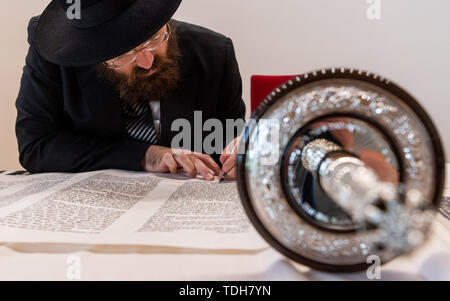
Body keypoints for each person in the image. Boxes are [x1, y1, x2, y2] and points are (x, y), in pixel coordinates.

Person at [15, 0, 246, 181]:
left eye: (154, 38)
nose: (147, 61)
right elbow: (35, 146)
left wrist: (247, 151)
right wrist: (144, 155)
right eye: (124, 54)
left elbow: (229, 143)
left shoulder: (215, 54)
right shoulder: (56, 56)